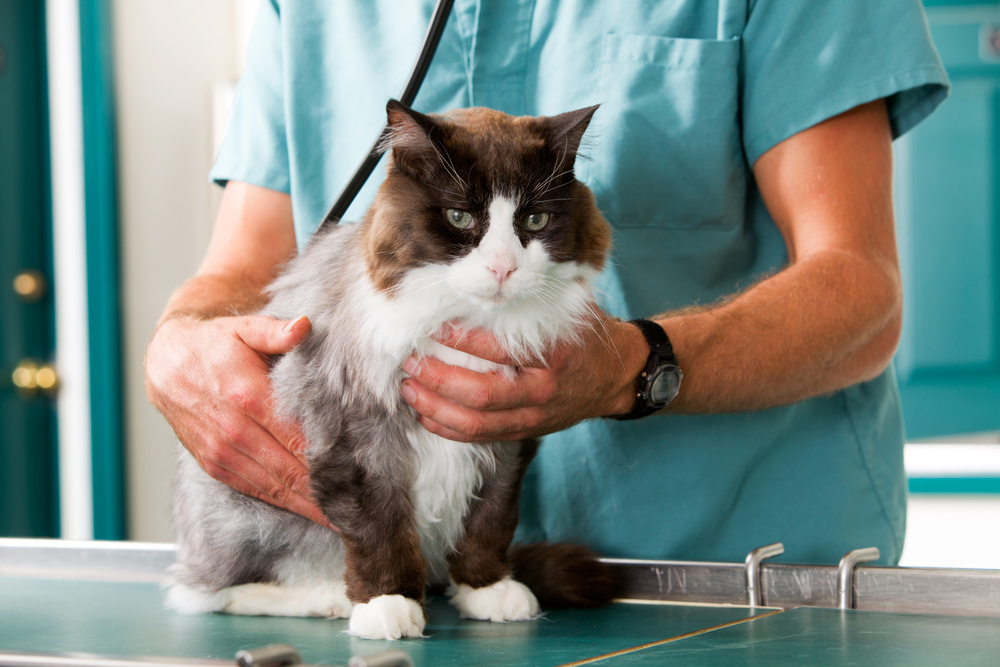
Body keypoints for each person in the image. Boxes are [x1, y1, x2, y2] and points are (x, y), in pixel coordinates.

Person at [145, 0, 949, 564]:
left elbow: (862, 291)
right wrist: (178, 345)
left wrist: (631, 368)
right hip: (428, 589)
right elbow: (243, 273)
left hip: (737, 575)